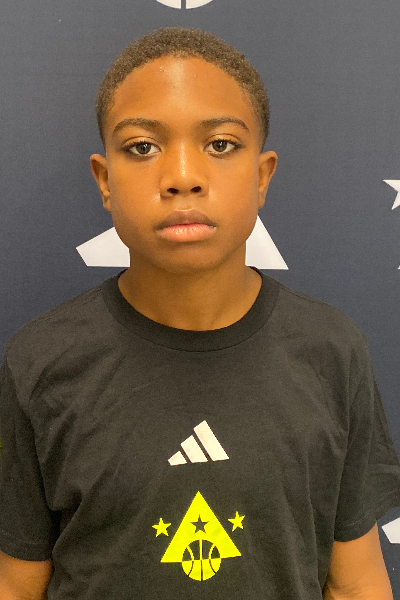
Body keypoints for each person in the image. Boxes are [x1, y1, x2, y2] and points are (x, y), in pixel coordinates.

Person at [0, 26, 399, 600]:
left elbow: (355, 582)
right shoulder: (41, 361)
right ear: (105, 180)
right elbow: (17, 586)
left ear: (262, 176)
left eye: (221, 145)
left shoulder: (332, 350)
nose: (183, 176)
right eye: (143, 147)